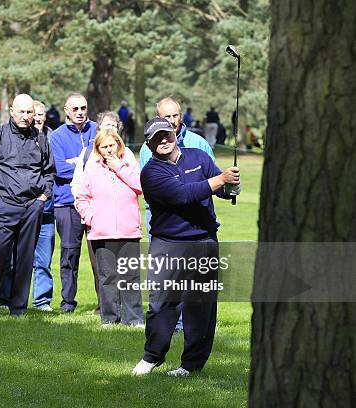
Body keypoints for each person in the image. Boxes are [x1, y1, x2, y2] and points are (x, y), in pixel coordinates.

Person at [132, 117, 240, 377]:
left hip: (203, 241)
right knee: (161, 304)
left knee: (201, 307)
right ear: (149, 143)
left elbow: (219, 186)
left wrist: (231, 186)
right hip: (168, 244)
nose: (164, 141)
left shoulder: (198, 157)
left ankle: (191, 366)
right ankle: (152, 356)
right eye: (157, 138)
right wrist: (220, 181)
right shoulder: (151, 172)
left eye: (166, 134)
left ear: (175, 132)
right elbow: (183, 195)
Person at [0, 93, 55, 318]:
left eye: (30, 112)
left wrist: (43, 198)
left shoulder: (40, 138)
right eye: (22, 112)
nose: (26, 117)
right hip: (4, 205)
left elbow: (49, 171)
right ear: (11, 111)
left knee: (25, 259)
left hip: (32, 207)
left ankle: (18, 308)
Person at [140, 97, 215, 332]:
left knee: (199, 296)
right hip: (167, 233)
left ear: (181, 115)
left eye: (175, 116)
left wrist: (229, 185)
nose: (172, 122)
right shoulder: (148, 153)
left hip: (200, 232)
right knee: (164, 293)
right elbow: (172, 192)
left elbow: (216, 180)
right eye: (166, 117)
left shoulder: (199, 145)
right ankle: (161, 340)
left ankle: (189, 341)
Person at [74, 128, 143, 326]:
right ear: (98, 149)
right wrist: (91, 218)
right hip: (101, 231)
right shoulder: (93, 168)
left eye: (112, 145)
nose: (109, 150)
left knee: (130, 276)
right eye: (104, 147)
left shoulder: (129, 164)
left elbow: (140, 185)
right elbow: (82, 197)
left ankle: (134, 318)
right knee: (107, 277)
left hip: (128, 230)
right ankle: (110, 318)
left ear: (119, 145)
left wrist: (119, 167)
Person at [71, 110, 124, 314]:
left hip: (121, 222)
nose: (110, 129)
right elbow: (77, 186)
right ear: (98, 129)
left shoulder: (126, 154)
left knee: (122, 266)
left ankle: (123, 306)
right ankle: (104, 305)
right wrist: (89, 214)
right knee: (99, 265)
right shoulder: (88, 155)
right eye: (105, 126)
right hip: (96, 221)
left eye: (113, 125)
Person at [50, 93, 97, 313]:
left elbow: (104, 162)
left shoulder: (96, 130)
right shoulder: (57, 136)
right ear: (66, 110)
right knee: (70, 254)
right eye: (75, 109)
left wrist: (76, 162)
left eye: (83, 108)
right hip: (67, 203)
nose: (79, 112)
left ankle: (105, 303)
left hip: (97, 202)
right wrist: (86, 164)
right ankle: (68, 303)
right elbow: (58, 169)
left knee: (101, 255)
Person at [30, 100, 55, 311]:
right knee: (14, 259)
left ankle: (42, 301)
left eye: (41, 114)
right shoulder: (22, 138)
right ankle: (9, 299)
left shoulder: (52, 137)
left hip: (47, 210)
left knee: (43, 261)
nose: (38, 117)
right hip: (24, 209)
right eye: (34, 114)